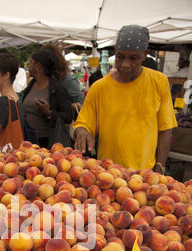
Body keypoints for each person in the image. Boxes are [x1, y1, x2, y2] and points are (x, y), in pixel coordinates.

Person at [74, 25, 177, 173]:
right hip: (108, 175)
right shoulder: (99, 88)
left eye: (133, 58)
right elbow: (83, 123)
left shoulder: (159, 82)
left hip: (144, 174)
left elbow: (165, 129)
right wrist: (82, 130)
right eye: (120, 56)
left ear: (145, 55)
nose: (125, 64)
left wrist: (160, 166)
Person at [21, 49, 73, 148]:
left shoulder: (57, 88)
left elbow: (68, 116)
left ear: (38, 67)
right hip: (28, 139)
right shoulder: (31, 85)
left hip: (47, 142)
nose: (28, 66)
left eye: (31, 63)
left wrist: (49, 113)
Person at [40, 44, 84, 118]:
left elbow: (82, 106)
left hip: (61, 126)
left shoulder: (68, 80)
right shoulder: (43, 79)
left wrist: (54, 108)